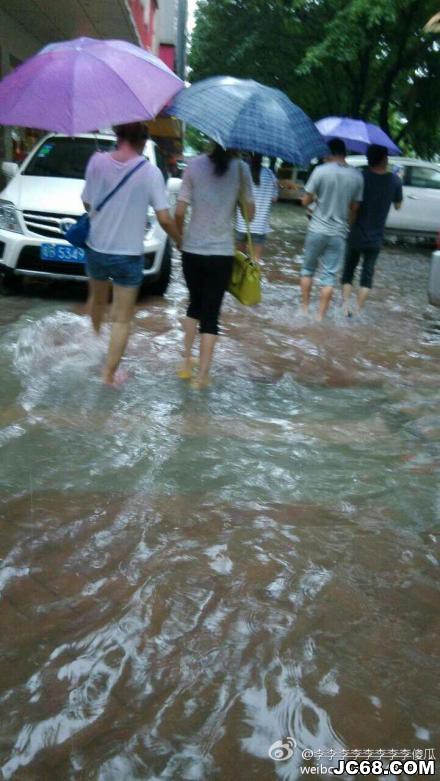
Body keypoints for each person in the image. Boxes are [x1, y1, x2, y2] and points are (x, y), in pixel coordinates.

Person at [82, 122, 180, 386]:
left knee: (97, 301)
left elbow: (87, 202)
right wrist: (180, 241)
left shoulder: (96, 161)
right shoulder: (150, 173)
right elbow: (164, 218)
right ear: (143, 140)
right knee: (122, 319)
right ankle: (109, 375)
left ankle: (94, 347)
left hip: (96, 249)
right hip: (128, 256)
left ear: (117, 136)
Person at [175, 144, 255, 389]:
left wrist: (180, 239)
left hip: (192, 251)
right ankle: (202, 378)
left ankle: (186, 363)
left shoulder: (193, 165)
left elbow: (179, 212)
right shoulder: (241, 169)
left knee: (194, 305)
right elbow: (249, 215)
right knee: (211, 315)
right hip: (220, 254)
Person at [300, 138, 364, 320]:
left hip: (317, 229)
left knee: (307, 270)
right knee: (329, 276)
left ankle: (304, 310)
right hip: (339, 232)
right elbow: (355, 208)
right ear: (345, 153)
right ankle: (320, 317)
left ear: (329, 153)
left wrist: (312, 199)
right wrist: (347, 225)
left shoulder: (320, 171)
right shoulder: (357, 176)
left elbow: (305, 201)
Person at [341, 144, 403, 314]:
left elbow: (353, 205)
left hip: (356, 233)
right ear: (384, 159)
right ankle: (358, 310)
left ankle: (345, 307)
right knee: (367, 277)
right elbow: (398, 206)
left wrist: (349, 222)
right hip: (376, 237)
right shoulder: (395, 181)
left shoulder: (361, 177)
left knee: (348, 272)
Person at [235, 153, 278, 262]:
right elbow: (274, 199)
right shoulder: (270, 174)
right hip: (260, 226)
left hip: (241, 225)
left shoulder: (241, 172)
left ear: (248, 155)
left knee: (240, 262)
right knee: (255, 264)